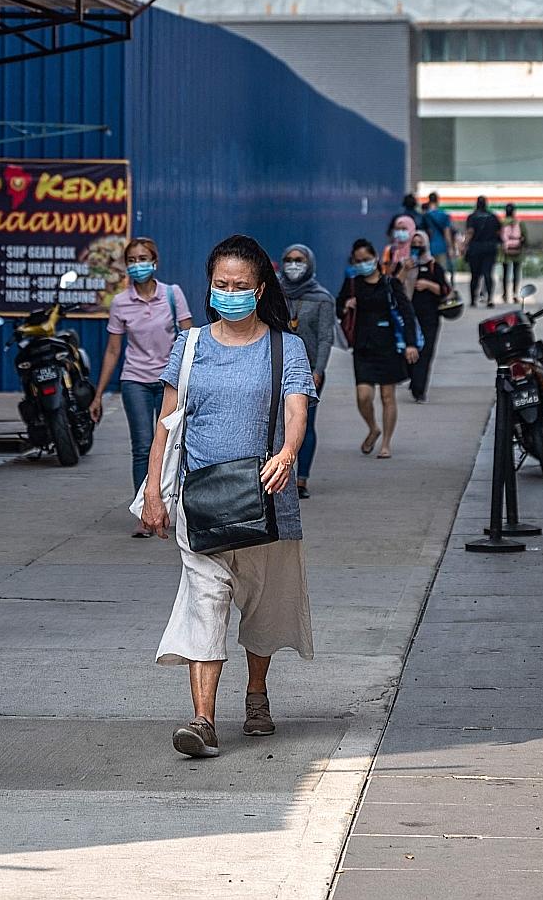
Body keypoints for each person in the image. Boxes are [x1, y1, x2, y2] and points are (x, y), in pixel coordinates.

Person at [140, 234, 317, 759]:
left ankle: (257, 693)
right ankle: (202, 719)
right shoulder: (190, 345)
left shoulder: (286, 346)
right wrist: (154, 491)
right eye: (221, 285)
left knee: (263, 607)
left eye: (241, 286)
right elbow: (167, 425)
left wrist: (287, 454)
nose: (230, 293)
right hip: (203, 500)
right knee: (206, 602)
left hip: (267, 496)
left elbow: (296, 409)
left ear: (260, 289)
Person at [91, 237, 193, 535]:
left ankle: (178, 508)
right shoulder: (121, 302)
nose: (138, 264)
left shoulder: (173, 296)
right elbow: (112, 351)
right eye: (132, 260)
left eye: (143, 258)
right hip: (134, 379)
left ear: (155, 261)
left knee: (174, 445)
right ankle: (145, 512)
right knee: (142, 446)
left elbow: (190, 340)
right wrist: (98, 394)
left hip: (169, 383)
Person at [336, 239, 421, 459]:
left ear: (375, 258)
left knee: (387, 396)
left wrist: (410, 343)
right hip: (363, 347)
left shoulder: (390, 284)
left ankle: (386, 443)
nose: (363, 263)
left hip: (388, 346)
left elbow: (407, 313)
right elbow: (338, 307)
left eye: (366, 259)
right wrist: (346, 305)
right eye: (358, 261)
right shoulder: (353, 284)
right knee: (363, 395)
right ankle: (373, 427)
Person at [278, 244, 334, 499]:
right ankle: (279, 476)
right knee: (277, 425)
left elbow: (325, 337)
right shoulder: (274, 292)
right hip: (277, 367)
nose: (293, 264)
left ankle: (302, 479)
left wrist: (319, 369)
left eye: (299, 260)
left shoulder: (322, 298)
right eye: (288, 259)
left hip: (308, 370)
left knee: (304, 423)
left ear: (309, 263)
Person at [407, 231, 448, 404]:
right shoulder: (406, 266)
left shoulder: (434, 266)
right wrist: (405, 270)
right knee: (409, 351)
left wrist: (428, 285)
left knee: (426, 353)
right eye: (414, 242)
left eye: (420, 242)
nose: (417, 245)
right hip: (409, 316)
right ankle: (414, 378)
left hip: (430, 316)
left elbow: (445, 290)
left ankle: (419, 390)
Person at [464, 196, 502, 306]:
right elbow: (499, 232)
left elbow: (470, 232)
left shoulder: (472, 217)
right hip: (490, 248)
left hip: (475, 249)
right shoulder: (493, 217)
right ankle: (490, 299)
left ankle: (473, 300)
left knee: (474, 275)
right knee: (488, 274)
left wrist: (463, 245)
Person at [420, 191, 457, 291]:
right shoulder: (444, 215)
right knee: (441, 271)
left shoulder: (425, 216)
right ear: (437, 200)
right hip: (441, 247)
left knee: (430, 271)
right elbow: (446, 233)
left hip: (428, 247)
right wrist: (450, 248)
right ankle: (441, 291)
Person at [382, 212, 419, 297]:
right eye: (397, 229)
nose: (400, 232)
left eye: (404, 229)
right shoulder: (390, 250)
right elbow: (385, 272)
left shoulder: (416, 249)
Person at [500, 203, 526, 304]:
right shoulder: (519, 222)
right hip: (517, 251)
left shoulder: (502, 222)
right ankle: (515, 294)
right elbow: (525, 236)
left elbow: (499, 236)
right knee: (516, 273)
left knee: (505, 273)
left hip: (505, 252)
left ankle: (505, 294)